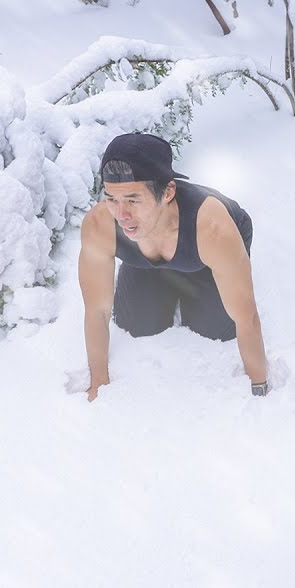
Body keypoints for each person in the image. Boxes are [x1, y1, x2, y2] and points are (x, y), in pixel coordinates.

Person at [77, 132, 269, 400]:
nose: (122, 215)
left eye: (133, 200)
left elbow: (246, 317)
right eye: (111, 199)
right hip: (148, 247)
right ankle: (161, 274)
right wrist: (98, 382)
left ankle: (188, 281)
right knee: (137, 324)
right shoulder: (101, 226)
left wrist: (259, 386)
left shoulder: (212, 229)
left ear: (167, 192)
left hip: (202, 253)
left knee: (215, 330)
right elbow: (97, 310)